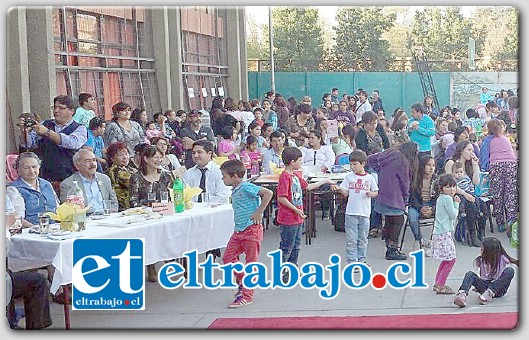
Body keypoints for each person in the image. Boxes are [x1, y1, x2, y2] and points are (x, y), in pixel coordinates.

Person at [219, 159, 273, 308]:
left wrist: (258, 212)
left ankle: (247, 296)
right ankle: (244, 281)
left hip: (251, 230)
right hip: (239, 230)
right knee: (228, 258)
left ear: (235, 176)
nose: (223, 179)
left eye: (224, 176)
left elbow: (268, 193)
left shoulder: (246, 187)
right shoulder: (236, 189)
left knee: (251, 263)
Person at [276, 146, 334, 283]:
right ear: (292, 161)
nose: (301, 163)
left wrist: (325, 180)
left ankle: (293, 268)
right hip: (289, 217)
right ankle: (283, 270)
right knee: (287, 245)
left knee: (296, 245)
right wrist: (296, 209)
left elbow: (307, 186)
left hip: (297, 217)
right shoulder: (285, 177)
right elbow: (281, 197)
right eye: (300, 160)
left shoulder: (295, 176)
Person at [19, 95, 88, 189]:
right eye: (54, 107)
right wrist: (24, 132)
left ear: (72, 111)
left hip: (68, 179)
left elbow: (72, 143)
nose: (56, 111)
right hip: (44, 179)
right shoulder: (45, 124)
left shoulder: (80, 128)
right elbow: (29, 143)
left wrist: (47, 132)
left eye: (61, 108)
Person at [367, 142, 418, 261]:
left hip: (383, 191)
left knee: (389, 220)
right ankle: (392, 249)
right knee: (398, 221)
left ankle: (388, 245)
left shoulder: (389, 153)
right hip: (396, 194)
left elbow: (370, 159)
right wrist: (406, 198)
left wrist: (380, 171)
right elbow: (404, 182)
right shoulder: (403, 161)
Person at [331, 149, 378, 266]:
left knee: (363, 239)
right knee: (351, 239)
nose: (352, 167)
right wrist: (338, 188)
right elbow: (345, 192)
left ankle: (362, 259)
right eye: (351, 164)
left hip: (365, 213)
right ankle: (352, 261)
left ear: (363, 164)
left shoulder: (370, 178)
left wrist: (370, 194)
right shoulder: (349, 177)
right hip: (351, 212)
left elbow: (376, 192)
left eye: (355, 164)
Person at [453, 237, 518, 307]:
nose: (480, 252)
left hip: (499, 289)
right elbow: (481, 276)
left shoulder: (502, 258)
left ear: (489, 252)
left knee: (510, 270)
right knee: (470, 274)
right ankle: (462, 294)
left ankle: (489, 293)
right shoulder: (480, 260)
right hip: (485, 287)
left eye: (482, 250)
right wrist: (478, 285)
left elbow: (512, 261)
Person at [445, 141, 482, 247]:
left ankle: (480, 233)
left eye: (473, 150)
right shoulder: (451, 163)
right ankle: (472, 235)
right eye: (469, 150)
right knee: (470, 205)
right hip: (454, 192)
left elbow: (476, 182)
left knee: (482, 207)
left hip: (468, 192)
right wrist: (465, 194)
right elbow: (450, 184)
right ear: (461, 151)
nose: (472, 153)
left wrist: (475, 167)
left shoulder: (468, 165)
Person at [484, 119, 518, 235]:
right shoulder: (506, 139)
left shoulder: (488, 140)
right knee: (510, 193)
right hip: (510, 164)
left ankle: (500, 222)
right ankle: (511, 220)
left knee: (497, 194)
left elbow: (484, 155)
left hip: (496, 166)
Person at [8, 152, 59, 227]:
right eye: (26, 168)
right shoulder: (14, 189)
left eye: (34, 167)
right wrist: (35, 228)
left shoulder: (46, 184)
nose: (31, 171)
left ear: (39, 167)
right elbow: (18, 218)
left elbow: (57, 209)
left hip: (53, 229)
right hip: (30, 231)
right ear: (18, 169)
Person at [60, 149, 118, 214]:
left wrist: (111, 214)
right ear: (77, 166)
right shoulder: (68, 184)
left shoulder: (105, 179)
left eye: (94, 160)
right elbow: (70, 211)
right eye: (87, 161)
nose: (93, 164)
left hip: (108, 219)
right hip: (86, 221)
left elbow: (114, 202)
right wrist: (96, 214)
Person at [431, 174, 460, 295]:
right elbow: (453, 215)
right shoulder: (448, 199)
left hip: (439, 232)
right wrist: (456, 203)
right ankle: (441, 284)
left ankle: (438, 282)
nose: (451, 189)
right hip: (444, 233)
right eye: (448, 187)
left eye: (453, 186)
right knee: (451, 259)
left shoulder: (440, 198)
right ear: (442, 188)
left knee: (446, 259)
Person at [300, 129, 336, 219]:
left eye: (313, 138)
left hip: (322, 174)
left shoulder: (326, 149)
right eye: (309, 138)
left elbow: (331, 159)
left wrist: (325, 167)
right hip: (308, 174)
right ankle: (306, 209)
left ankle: (326, 209)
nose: (310, 140)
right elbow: (300, 161)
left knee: (326, 187)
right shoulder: (305, 149)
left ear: (319, 139)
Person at [408, 155, 437, 248]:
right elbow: (412, 197)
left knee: (442, 215)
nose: (431, 168)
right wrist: (420, 208)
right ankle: (419, 239)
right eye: (428, 165)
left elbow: (440, 198)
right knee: (412, 216)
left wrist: (432, 209)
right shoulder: (415, 179)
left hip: (431, 204)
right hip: (417, 204)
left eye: (433, 165)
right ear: (422, 165)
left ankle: (435, 241)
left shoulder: (437, 180)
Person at [106, 141, 137, 211]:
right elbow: (135, 182)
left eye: (126, 154)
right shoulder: (115, 170)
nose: (125, 157)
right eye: (120, 155)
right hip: (124, 208)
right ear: (112, 158)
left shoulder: (129, 169)